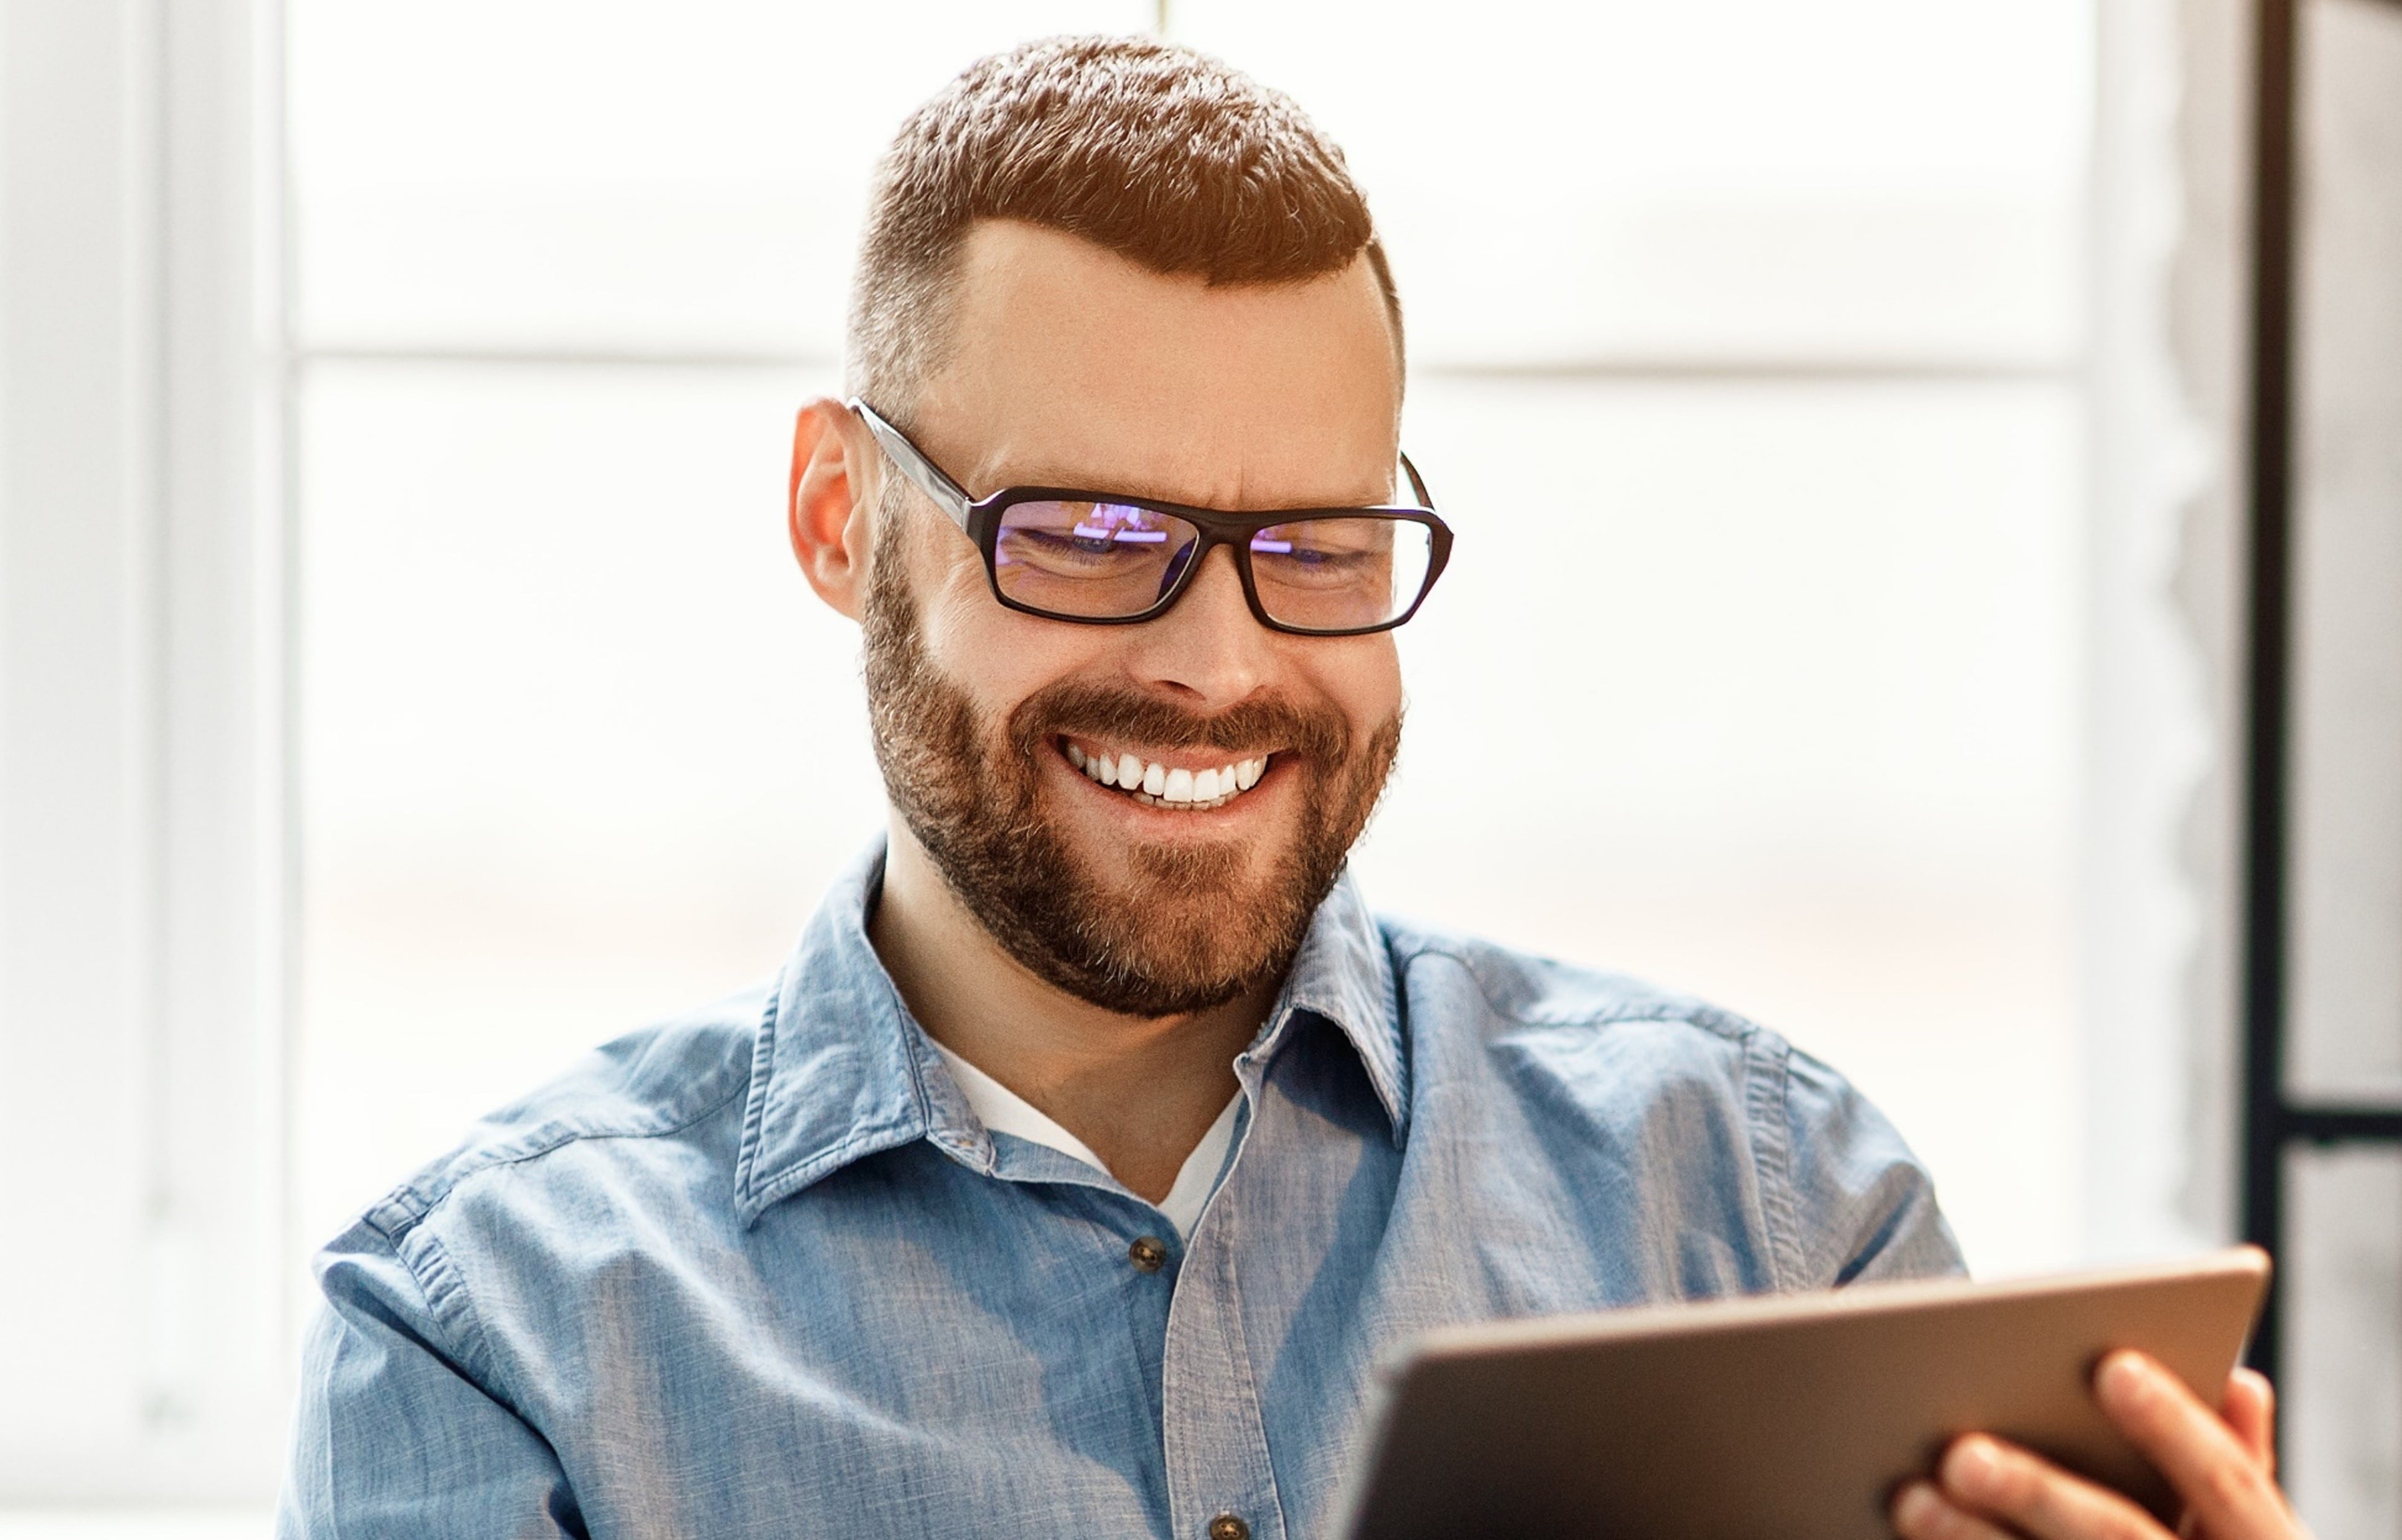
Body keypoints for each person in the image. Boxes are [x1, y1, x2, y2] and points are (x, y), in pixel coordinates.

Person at [281, 34, 2307, 1540]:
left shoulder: (1767, 1210)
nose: (1225, 661)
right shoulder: (495, 1341)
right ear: (843, 515)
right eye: (1085, 531)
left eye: (1320, 545)